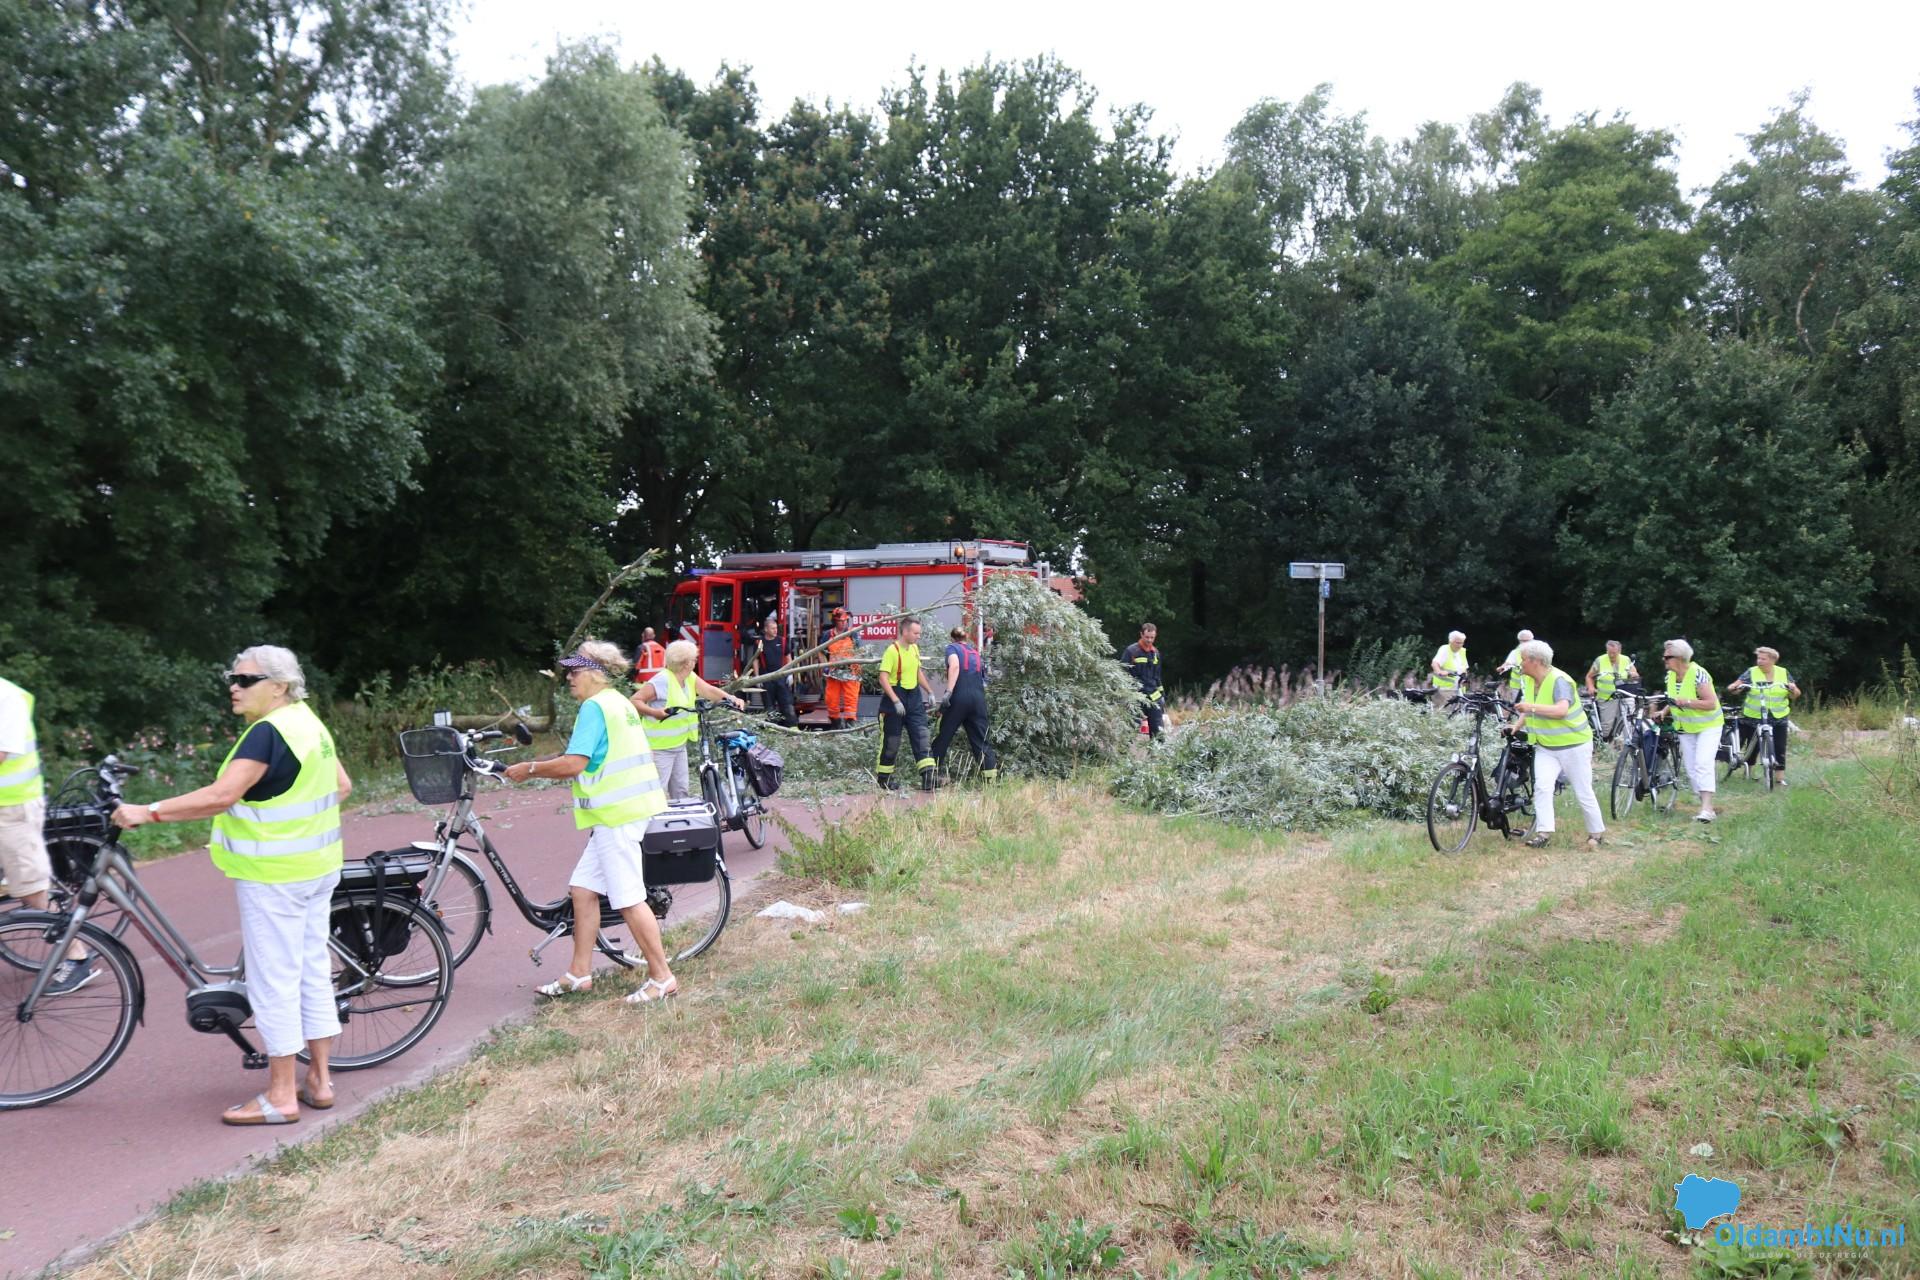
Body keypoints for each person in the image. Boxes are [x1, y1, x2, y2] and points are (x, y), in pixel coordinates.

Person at [111, 647, 349, 1124]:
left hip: (274, 876)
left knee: (273, 981)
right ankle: (319, 1081)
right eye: (232, 678)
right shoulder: (307, 722)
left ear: (278, 686)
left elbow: (221, 796)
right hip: (318, 869)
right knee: (310, 971)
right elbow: (342, 786)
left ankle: (280, 1096)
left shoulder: (266, 734)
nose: (234, 687)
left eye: (245, 679)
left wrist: (147, 811)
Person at [503, 642, 680, 1004]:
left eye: (575, 671)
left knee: (628, 899)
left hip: (618, 815)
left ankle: (662, 977)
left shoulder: (594, 708)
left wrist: (530, 768)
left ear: (594, 673)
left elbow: (575, 763)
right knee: (583, 890)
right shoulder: (618, 702)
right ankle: (579, 973)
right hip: (626, 810)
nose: (569, 678)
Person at [0, 674, 90, 991]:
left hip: (13, 809)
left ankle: (77, 957)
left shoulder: (6, 697)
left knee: (31, 890)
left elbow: (1, 753)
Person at [1510, 640, 1606, 850]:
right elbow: (1529, 708)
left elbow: (1561, 710)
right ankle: (1544, 833)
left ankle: (1596, 834)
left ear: (1535, 661)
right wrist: (1516, 727)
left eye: (1523, 659)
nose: (1520, 664)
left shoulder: (1560, 680)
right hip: (1546, 747)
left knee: (1583, 790)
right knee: (1542, 788)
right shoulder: (1529, 680)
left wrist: (1530, 708)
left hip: (1574, 745)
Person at [633, 640, 745, 802]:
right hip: (659, 748)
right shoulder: (662, 680)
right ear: (686, 663)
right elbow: (635, 700)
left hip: (679, 745)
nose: (695, 662)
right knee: (656, 793)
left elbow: (708, 690)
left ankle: (681, 818)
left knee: (681, 791)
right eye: (694, 659)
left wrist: (731, 698)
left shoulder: (689, 677)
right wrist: (654, 713)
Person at [1655, 638, 1722, 822]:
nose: (1664, 659)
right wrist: (1664, 711)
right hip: (1686, 728)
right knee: (1691, 769)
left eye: (1667, 657)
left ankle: (1707, 809)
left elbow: (1711, 703)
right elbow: (1674, 698)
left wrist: (1688, 702)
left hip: (1708, 726)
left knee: (1702, 763)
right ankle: (1706, 805)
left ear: (1680, 658)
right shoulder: (1670, 676)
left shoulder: (1699, 674)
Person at [876, 618, 936, 791]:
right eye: (916, 633)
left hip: (914, 699)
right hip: (894, 700)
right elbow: (883, 678)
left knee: (921, 736)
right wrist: (895, 700)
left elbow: (917, 672)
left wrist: (929, 691)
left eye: (919, 633)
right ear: (905, 632)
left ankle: (928, 777)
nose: (918, 636)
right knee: (892, 741)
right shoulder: (892, 651)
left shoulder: (914, 648)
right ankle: (884, 779)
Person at [1727, 646, 1801, 784]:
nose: (1759, 661)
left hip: (1778, 716)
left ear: (1773, 660)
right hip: (1754, 716)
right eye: (1758, 658)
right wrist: (1734, 688)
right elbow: (1736, 687)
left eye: (1763, 659)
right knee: (1753, 746)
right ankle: (1748, 773)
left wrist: (1792, 689)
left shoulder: (1783, 672)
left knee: (1779, 747)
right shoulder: (1751, 672)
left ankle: (1779, 780)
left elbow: (1795, 694)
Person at [932, 627, 998, 782]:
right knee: (981, 739)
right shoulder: (975, 653)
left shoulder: (952, 648)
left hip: (959, 697)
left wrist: (948, 692)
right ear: (966, 638)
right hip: (978, 699)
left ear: (952, 638)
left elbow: (955, 666)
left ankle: (931, 775)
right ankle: (991, 780)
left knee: (943, 736)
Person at [1585, 641, 1640, 739]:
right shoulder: (1600, 660)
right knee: (1607, 727)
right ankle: (1605, 742)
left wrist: (1633, 675)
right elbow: (1589, 676)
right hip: (1607, 697)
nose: (1611, 655)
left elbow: (1635, 674)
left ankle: (1629, 743)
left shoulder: (1626, 659)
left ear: (1619, 651)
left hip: (1625, 694)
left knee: (1629, 720)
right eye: (1609, 652)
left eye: (1614, 653)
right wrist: (1591, 687)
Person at [753, 614, 798, 727]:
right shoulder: (759, 643)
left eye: (776, 628)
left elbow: (788, 657)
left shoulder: (782, 641)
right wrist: (757, 677)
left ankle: (792, 728)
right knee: (769, 708)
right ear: (766, 629)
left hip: (781, 677)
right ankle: (772, 729)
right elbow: (755, 660)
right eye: (773, 628)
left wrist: (790, 674)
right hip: (766, 678)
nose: (775, 630)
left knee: (787, 705)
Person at [1120, 623, 1165, 738]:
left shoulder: (1155, 653)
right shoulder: (1131, 651)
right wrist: (1126, 695)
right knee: (1130, 731)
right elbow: (1122, 673)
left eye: (1152, 637)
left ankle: (1157, 750)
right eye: (1147, 637)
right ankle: (1123, 749)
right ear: (1141, 634)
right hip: (1136, 696)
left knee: (1158, 732)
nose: (1149, 640)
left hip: (1153, 697)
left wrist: (1162, 696)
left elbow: (1157, 677)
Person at [823, 608, 862, 729]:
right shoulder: (828, 635)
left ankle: (850, 724)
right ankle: (835, 723)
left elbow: (859, 651)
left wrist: (857, 668)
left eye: (845, 621)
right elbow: (820, 652)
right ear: (835, 621)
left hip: (850, 672)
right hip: (833, 672)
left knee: (851, 699)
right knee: (831, 699)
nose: (843, 623)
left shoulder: (852, 634)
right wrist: (825, 665)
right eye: (841, 621)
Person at [1429, 631, 1469, 705]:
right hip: (1444, 689)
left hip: (1459, 689)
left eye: (1462, 643)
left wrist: (1465, 678)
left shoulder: (1462, 651)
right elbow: (1435, 663)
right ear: (1450, 641)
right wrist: (1439, 672)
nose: (1460, 645)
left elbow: (1464, 667)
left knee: (1459, 710)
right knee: (1442, 710)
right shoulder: (1445, 649)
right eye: (1458, 643)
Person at [1495, 629, 1534, 703]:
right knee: (1518, 705)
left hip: (1532, 684)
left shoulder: (1538, 652)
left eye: (1528, 641)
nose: (1526, 643)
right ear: (1520, 641)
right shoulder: (1515, 652)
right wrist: (1502, 668)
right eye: (1524, 641)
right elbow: (1508, 663)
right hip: (1517, 687)